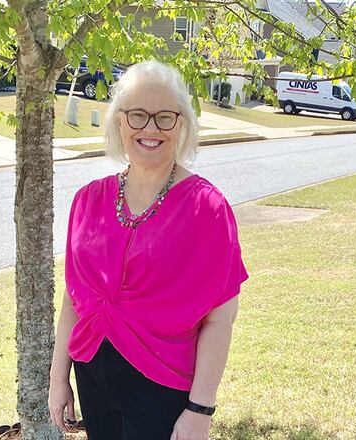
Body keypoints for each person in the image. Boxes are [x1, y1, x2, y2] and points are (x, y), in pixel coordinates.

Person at [48, 60, 249, 440]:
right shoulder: (88, 200)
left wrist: (199, 410)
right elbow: (74, 299)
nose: (151, 129)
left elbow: (219, 319)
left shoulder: (206, 209)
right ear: (119, 122)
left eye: (165, 117)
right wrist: (59, 378)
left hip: (162, 387)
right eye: (138, 115)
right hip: (91, 374)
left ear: (182, 124)